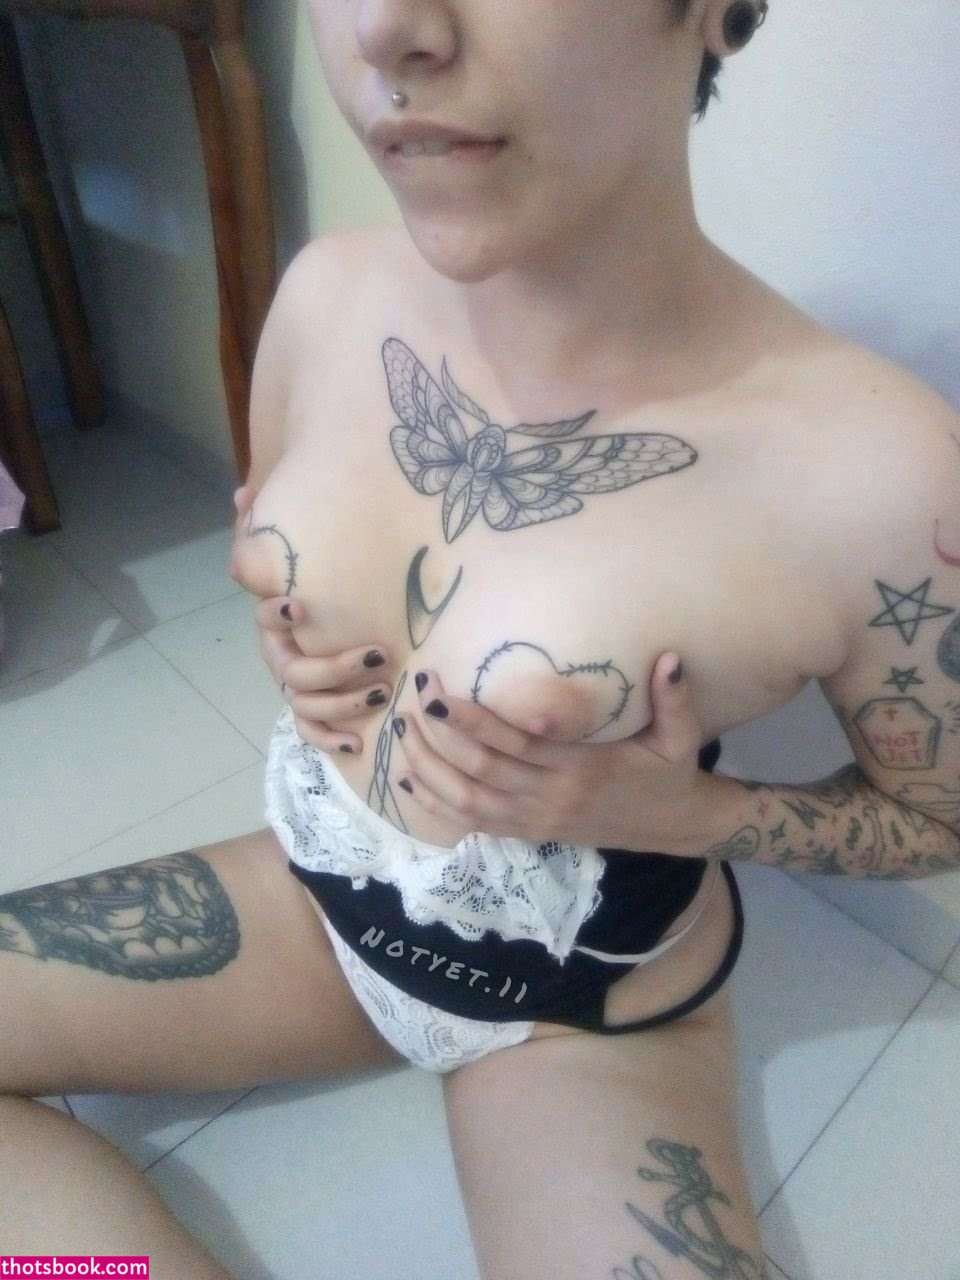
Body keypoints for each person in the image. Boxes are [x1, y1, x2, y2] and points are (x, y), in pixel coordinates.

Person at [3, 3, 959, 1277]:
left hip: (582, 1011)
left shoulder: (879, 469)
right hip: (319, 903)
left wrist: (690, 813)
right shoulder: (324, 291)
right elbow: (282, 541)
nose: (387, 29)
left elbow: (940, 819)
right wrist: (298, 642)